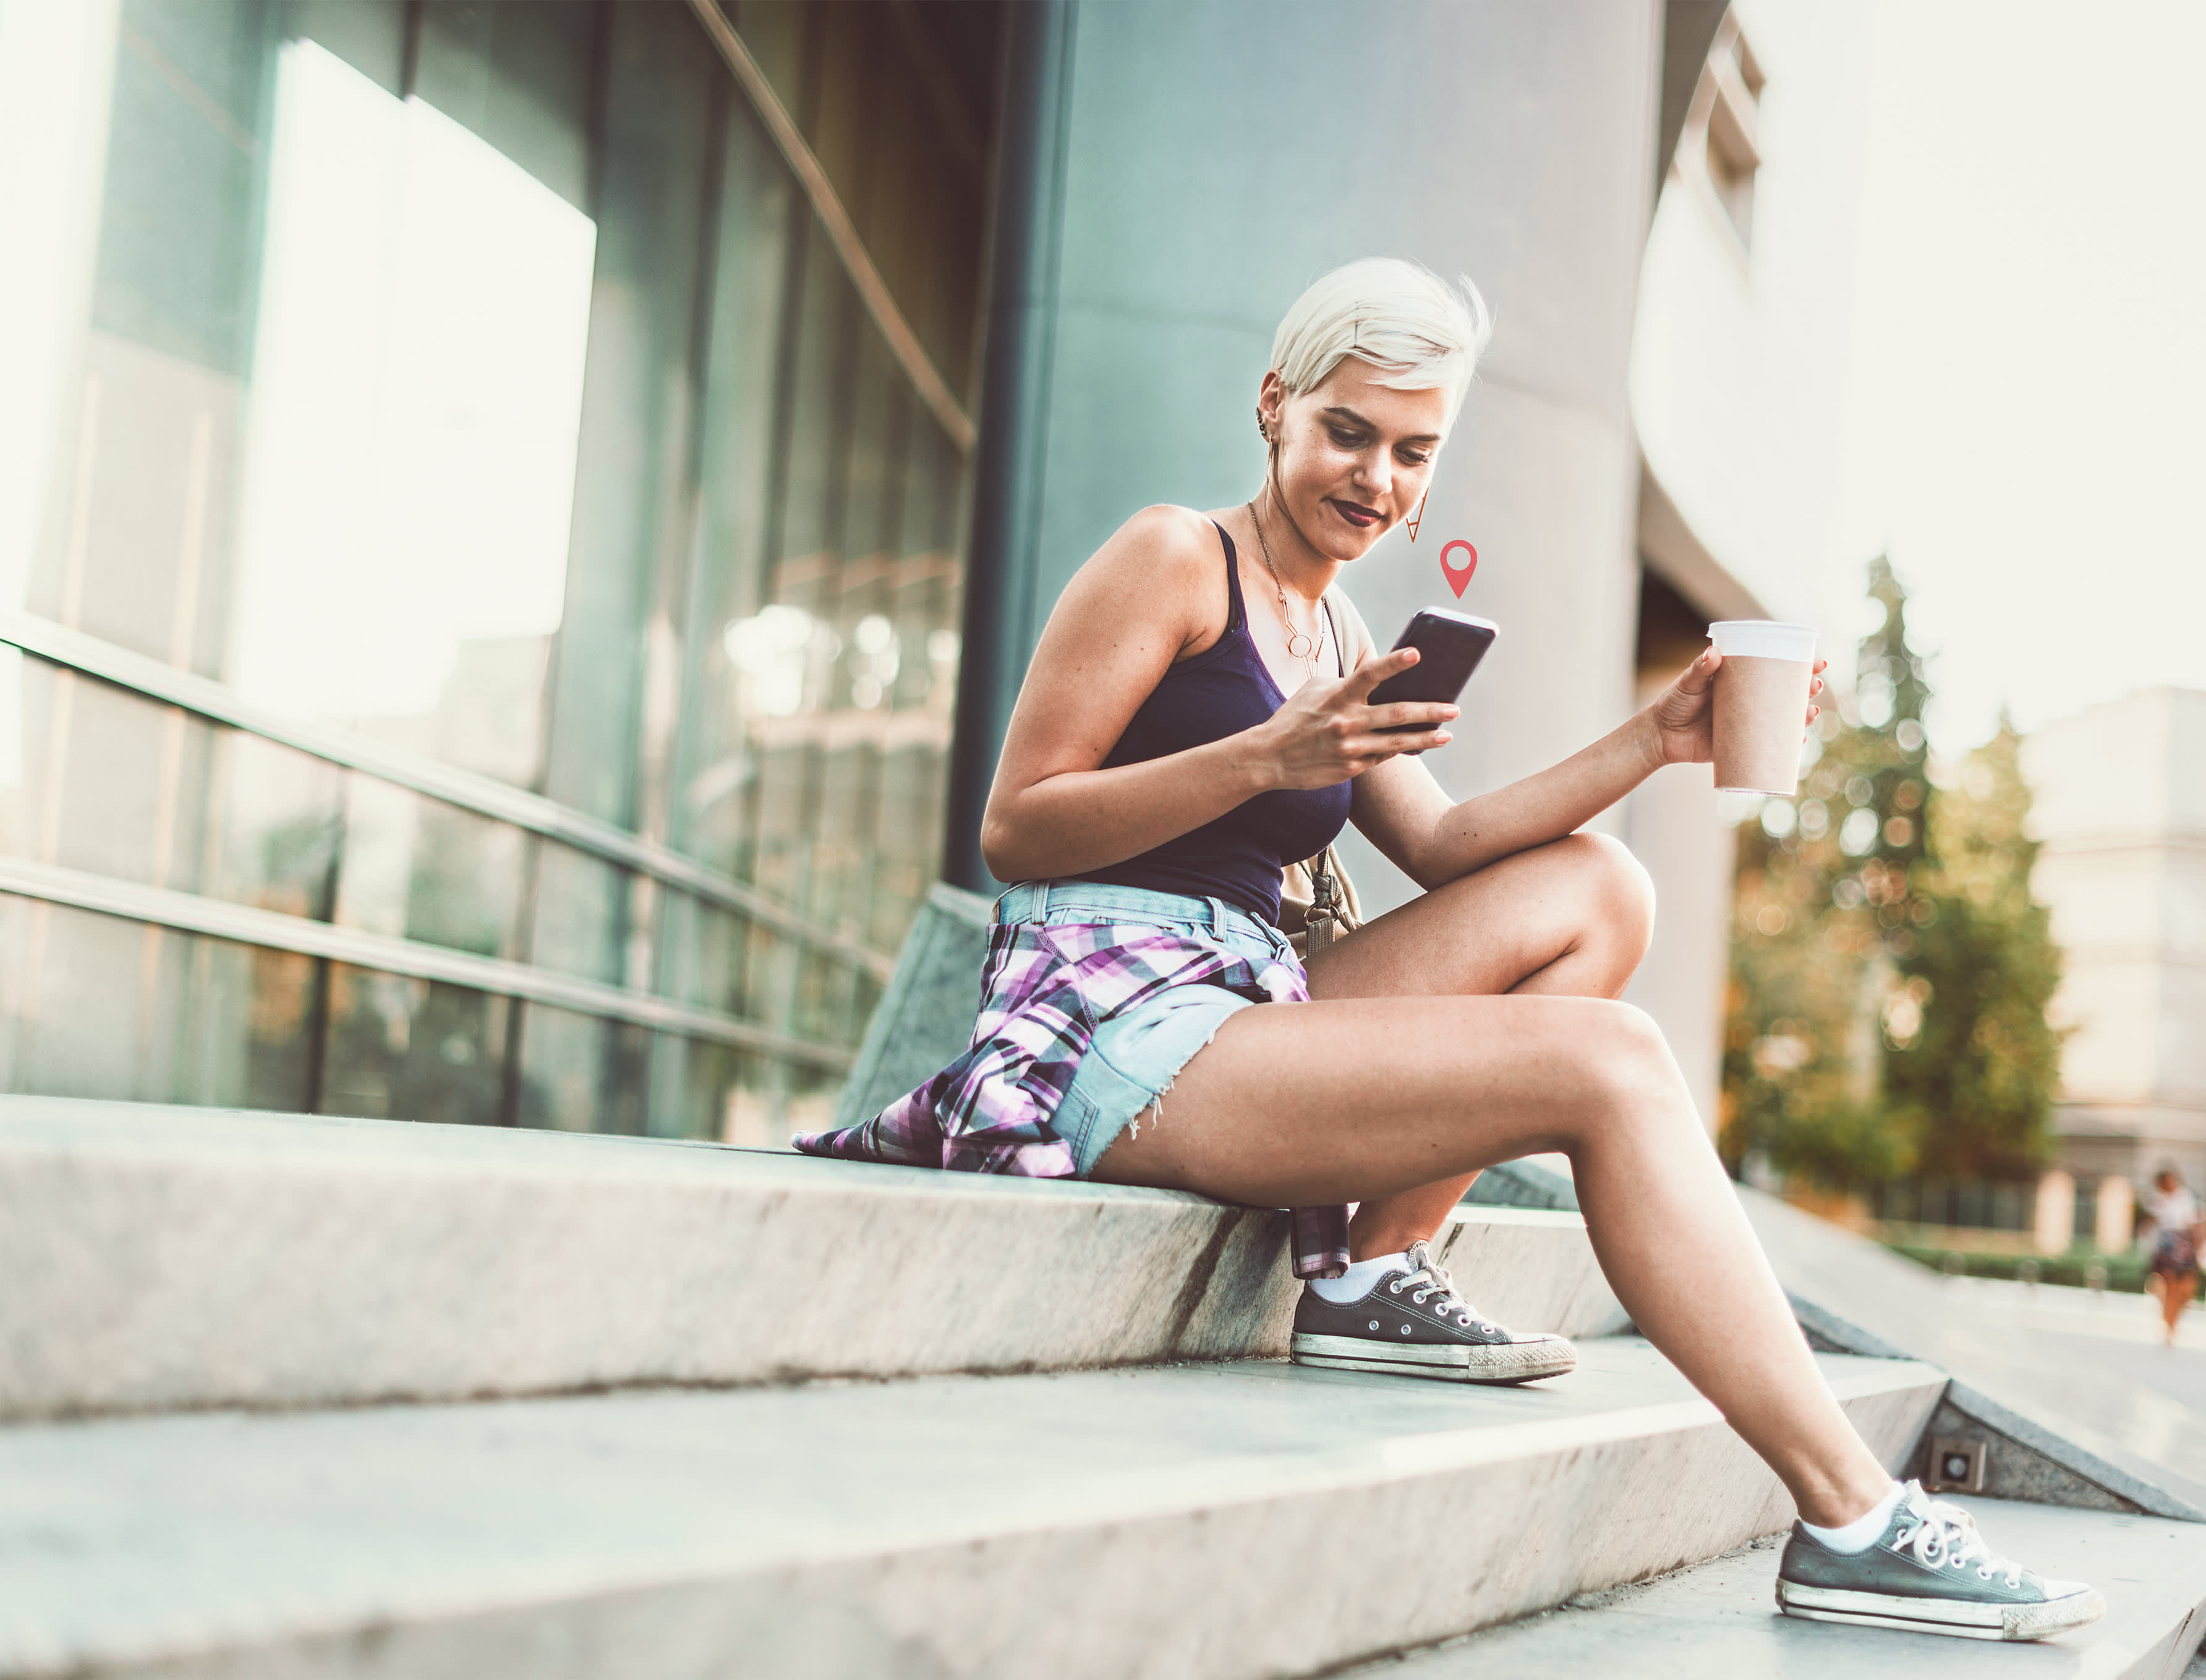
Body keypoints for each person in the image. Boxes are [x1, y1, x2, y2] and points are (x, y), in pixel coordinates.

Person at [799, 258, 2103, 1642]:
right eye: (1347, 432)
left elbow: (1447, 845)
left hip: (1246, 991)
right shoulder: (1174, 555)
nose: (1374, 476)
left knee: (1602, 891)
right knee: (1608, 1060)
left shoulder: (1341, 625)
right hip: (1106, 1021)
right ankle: (1852, 1514)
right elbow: (1016, 827)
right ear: (1274, 407)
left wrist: (1652, 738)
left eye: (1413, 450)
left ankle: (1368, 1271)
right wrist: (1262, 758)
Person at [2142, 1167, 2206, 1345]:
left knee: (2186, 1289)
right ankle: (2169, 1325)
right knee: (2169, 1287)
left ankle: (2173, 1321)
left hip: (2185, 1245)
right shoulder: (2157, 1201)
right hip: (2167, 1245)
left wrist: (2201, 1248)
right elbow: (2149, 1226)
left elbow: (2198, 1224)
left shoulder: (2188, 1198)